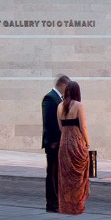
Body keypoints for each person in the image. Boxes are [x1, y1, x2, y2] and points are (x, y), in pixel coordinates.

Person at [57, 80, 90, 215]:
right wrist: (87, 142)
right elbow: (83, 127)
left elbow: (61, 127)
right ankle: (76, 206)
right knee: (78, 176)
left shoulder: (59, 106)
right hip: (76, 142)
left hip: (63, 143)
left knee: (66, 176)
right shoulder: (79, 106)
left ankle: (65, 206)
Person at [41, 75, 70, 213]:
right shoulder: (50, 98)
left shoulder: (58, 98)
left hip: (58, 143)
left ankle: (57, 201)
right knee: (52, 174)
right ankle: (51, 204)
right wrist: (53, 141)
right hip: (53, 143)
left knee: (57, 173)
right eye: (67, 87)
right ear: (63, 84)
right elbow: (48, 122)